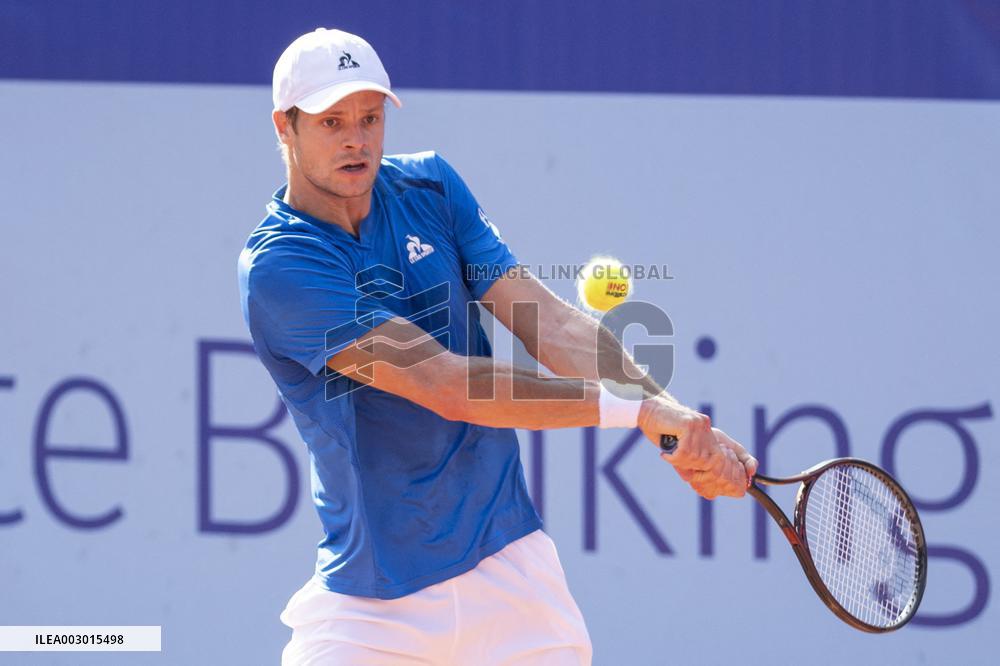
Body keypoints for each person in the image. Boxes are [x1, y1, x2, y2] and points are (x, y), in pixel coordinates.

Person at [238, 27, 758, 666]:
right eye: (331, 121)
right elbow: (448, 387)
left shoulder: (431, 187)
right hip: (372, 615)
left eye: (370, 118)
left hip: (515, 583)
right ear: (284, 128)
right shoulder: (282, 267)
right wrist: (640, 413)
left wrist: (675, 419)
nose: (356, 139)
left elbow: (550, 324)